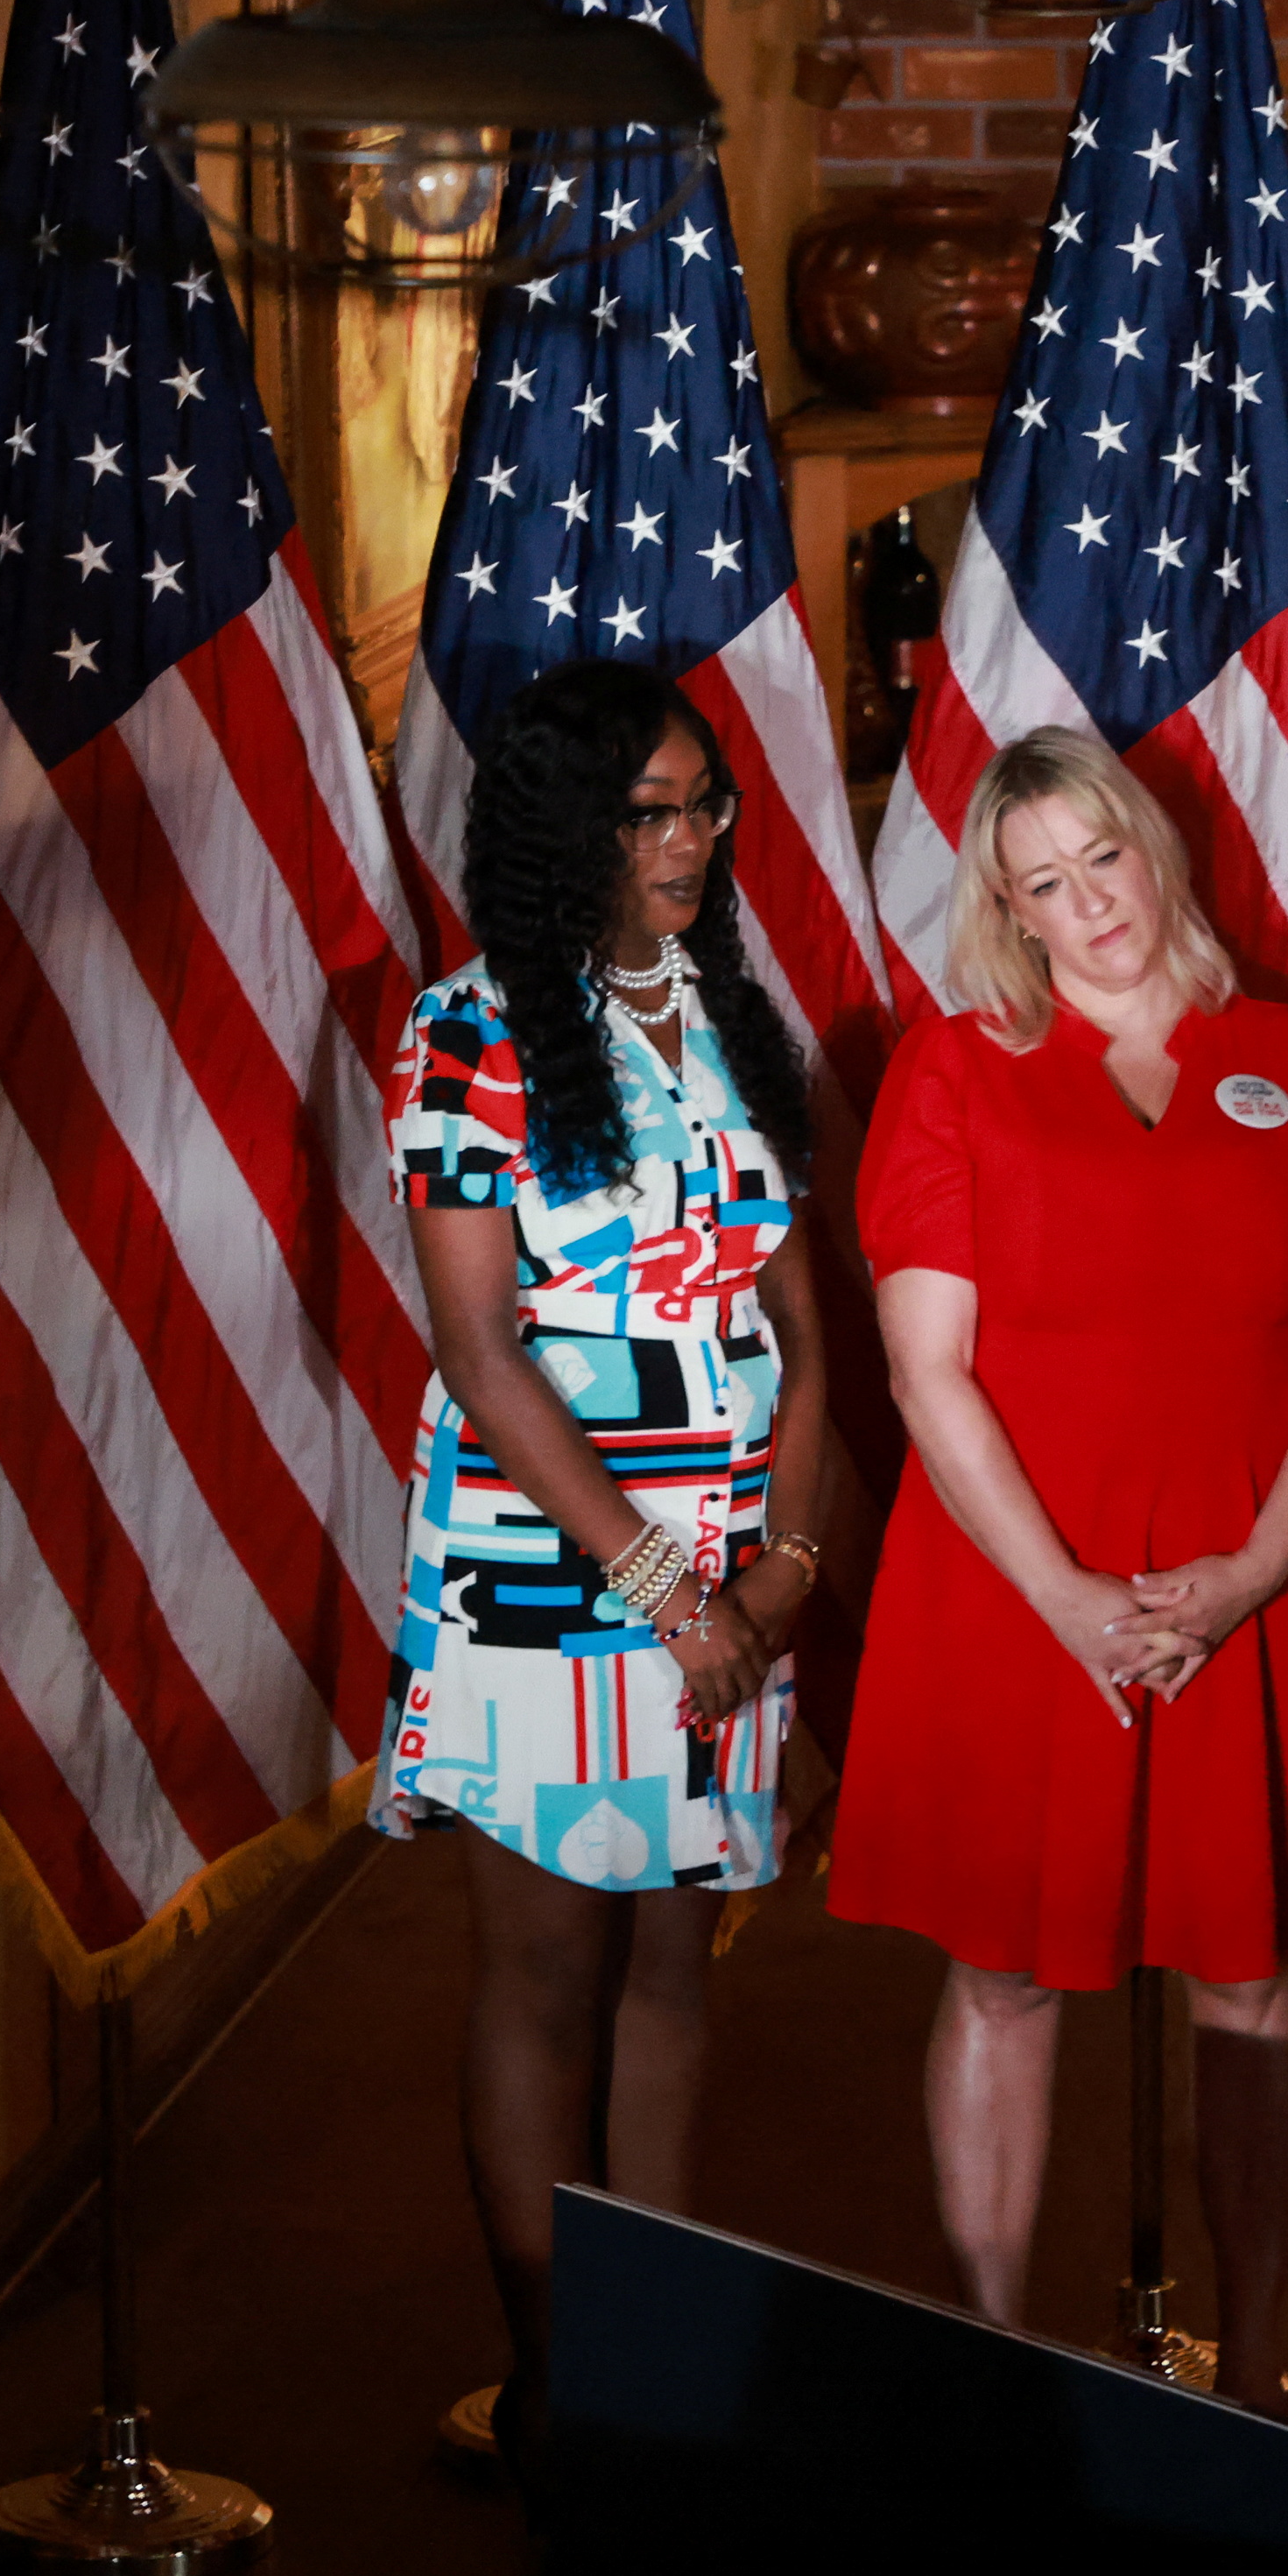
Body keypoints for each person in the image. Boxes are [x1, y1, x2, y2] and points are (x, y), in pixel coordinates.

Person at [827, 727, 1288, 2405]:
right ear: (1006, 911)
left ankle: (1265, 2364)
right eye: (1045, 884)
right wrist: (1070, 1598)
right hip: (1019, 1579)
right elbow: (925, 1366)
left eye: (1108, 860)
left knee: (1247, 1966)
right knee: (1003, 1972)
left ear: (1157, 851)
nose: (1094, 908)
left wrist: (1246, 1573)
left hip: (1250, 1568)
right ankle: (999, 2362)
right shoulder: (954, 1070)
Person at [377, 659, 841, 2481]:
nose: (691, 839)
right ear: (568, 826)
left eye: (705, 803)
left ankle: (667, 2362)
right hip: (550, 1571)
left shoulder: (731, 1015)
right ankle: (557, 2376)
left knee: (674, 1960)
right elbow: (482, 1348)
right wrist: (665, 1586)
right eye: (651, 810)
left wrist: (784, 1565)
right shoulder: (465, 1033)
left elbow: (804, 1318)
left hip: (736, 1569)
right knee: (546, 1968)